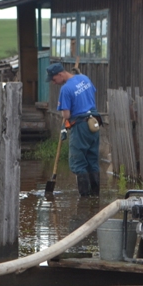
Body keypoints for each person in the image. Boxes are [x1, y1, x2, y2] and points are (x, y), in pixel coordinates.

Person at [46, 62, 101, 197]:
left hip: (81, 126)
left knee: (78, 163)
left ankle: (84, 199)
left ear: (60, 74)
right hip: (94, 123)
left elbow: (67, 115)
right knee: (92, 160)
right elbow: (90, 94)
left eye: (54, 79)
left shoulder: (66, 89)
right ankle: (95, 196)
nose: (54, 83)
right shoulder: (84, 78)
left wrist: (63, 119)